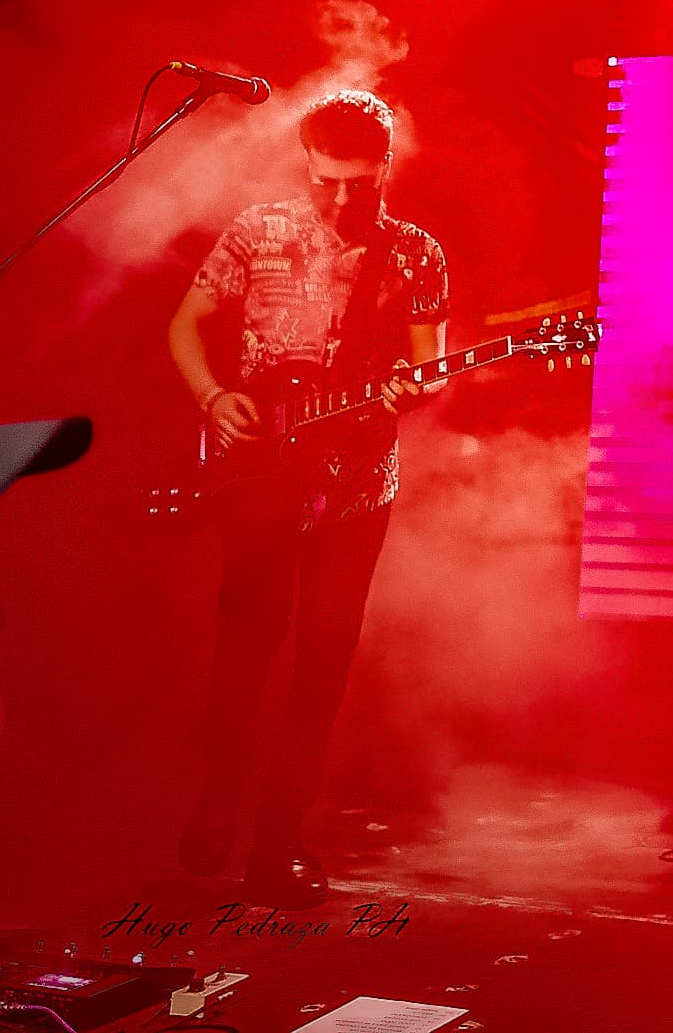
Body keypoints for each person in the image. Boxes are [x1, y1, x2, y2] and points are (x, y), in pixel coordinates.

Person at [167, 88, 444, 903]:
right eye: (328, 180)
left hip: (358, 487)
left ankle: (277, 841)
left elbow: (429, 368)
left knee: (323, 661)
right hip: (259, 475)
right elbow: (184, 325)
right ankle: (220, 795)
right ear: (306, 164)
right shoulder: (259, 230)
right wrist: (216, 399)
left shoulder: (416, 254)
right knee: (246, 651)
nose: (344, 198)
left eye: (361, 181)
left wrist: (412, 391)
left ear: (389, 166)